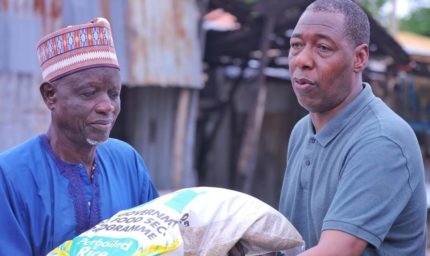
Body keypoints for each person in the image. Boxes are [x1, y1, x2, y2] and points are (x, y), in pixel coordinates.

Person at [278, 0, 427, 255]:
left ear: (359, 58)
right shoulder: (302, 131)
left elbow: (338, 251)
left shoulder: (382, 140)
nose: (302, 60)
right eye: (296, 45)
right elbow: (290, 243)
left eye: (323, 47)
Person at [0, 17, 159, 255]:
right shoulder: (10, 175)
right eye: (89, 93)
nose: (107, 106)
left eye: (114, 93)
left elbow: (160, 241)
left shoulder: (128, 163)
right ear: (50, 95)